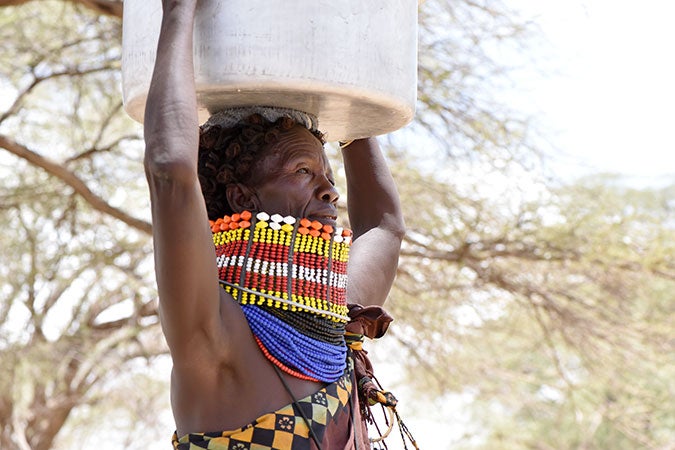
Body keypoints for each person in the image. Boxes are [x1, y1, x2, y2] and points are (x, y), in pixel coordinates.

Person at [143, 1, 405, 448]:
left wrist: (349, 80)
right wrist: (178, 11)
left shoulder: (334, 316)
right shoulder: (216, 332)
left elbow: (383, 226)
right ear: (242, 197)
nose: (330, 192)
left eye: (327, 174)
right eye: (302, 171)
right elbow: (170, 169)